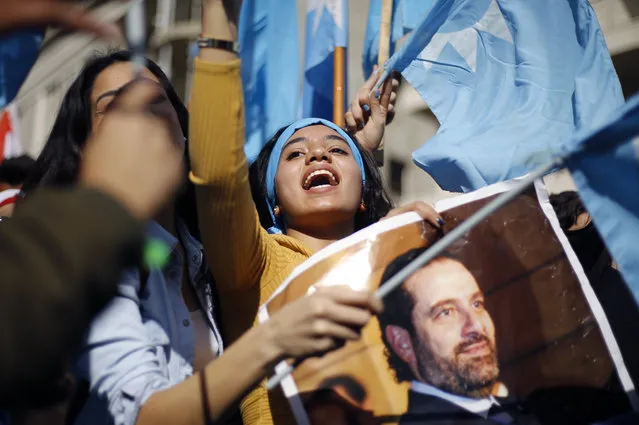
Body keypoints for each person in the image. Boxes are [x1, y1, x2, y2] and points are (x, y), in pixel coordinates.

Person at [189, 2, 441, 424]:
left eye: (336, 150)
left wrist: (408, 245)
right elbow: (216, 174)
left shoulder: (398, 250)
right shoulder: (254, 262)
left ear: (363, 195)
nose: (319, 153)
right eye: (295, 154)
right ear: (273, 201)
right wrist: (219, 26)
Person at [0, 80, 185, 410]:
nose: (140, 117)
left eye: (157, 100)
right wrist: (267, 345)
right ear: (84, 145)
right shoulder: (94, 256)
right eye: (114, 107)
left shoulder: (206, 250)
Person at [377, 247, 541, 425]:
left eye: (477, 304)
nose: (477, 326)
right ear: (403, 343)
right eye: (446, 312)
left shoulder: (531, 406)